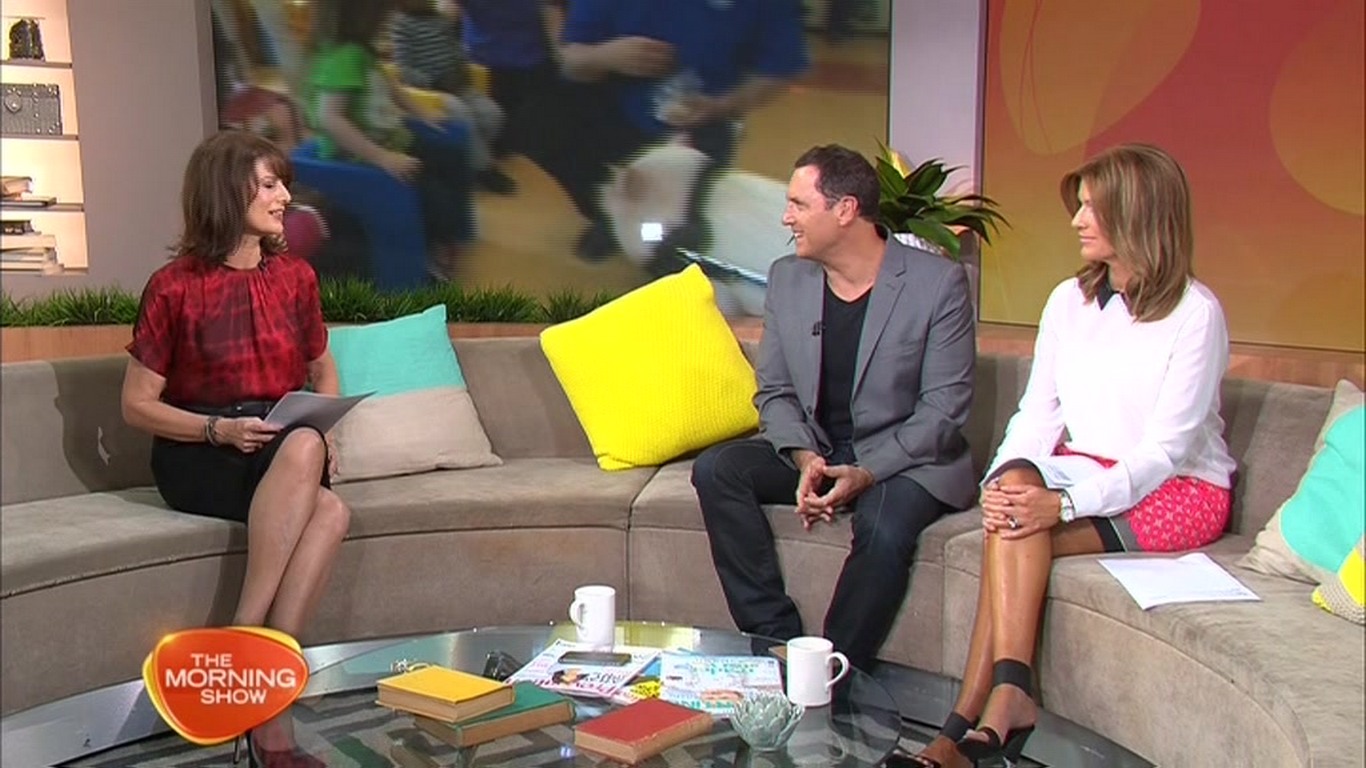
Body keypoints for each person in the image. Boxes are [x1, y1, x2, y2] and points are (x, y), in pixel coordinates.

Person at [906, 144, 1237, 768]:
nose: (1077, 220)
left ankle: (960, 727)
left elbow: (1164, 451)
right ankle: (1003, 703)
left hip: (1179, 488)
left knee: (1017, 528)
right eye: (1079, 205)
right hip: (1082, 467)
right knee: (1012, 506)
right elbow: (1038, 414)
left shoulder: (1196, 315)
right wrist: (1001, 480)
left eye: (1092, 208)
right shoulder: (1068, 300)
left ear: (1136, 214)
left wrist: (1061, 504)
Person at [691, 145, 978, 672]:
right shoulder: (787, 278)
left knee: (884, 526)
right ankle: (775, 641)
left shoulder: (937, 284)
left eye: (799, 204)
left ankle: (832, 672)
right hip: (820, 448)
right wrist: (805, 458)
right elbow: (774, 390)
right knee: (718, 470)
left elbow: (944, 409)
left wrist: (867, 472)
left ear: (845, 210)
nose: (786, 217)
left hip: (904, 460)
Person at [121, 130, 350, 768]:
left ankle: (263, 680)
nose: (285, 197)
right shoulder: (173, 286)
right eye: (269, 184)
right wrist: (215, 430)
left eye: (282, 184)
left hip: (280, 447)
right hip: (201, 452)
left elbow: (323, 367)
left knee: (331, 505)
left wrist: (327, 426)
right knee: (307, 460)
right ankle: (248, 640)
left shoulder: (296, 277)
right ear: (228, 192)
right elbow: (136, 404)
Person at [518, 0, 808, 262]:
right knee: (537, 123)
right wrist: (606, 56)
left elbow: (780, 71)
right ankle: (611, 216)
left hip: (705, 120)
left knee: (680, 230)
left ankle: (656, 237)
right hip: (617, 105)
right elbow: (572, 61)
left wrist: (721, 105)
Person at [306, 0, 475, 281]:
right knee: (435, 199)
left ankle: (447, 234)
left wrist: (424, 113)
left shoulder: (361, 50)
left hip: (391, 143)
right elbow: (329, 118)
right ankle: (429, 253)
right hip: (360, 158)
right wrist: (382, 158)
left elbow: (392, 88)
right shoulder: (344, 56)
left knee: (451, 156)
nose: (388, 19)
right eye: (382, 13)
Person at [389, 0, 517, 194]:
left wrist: (462, 67)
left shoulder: (439, 18)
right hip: (431, 90)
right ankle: (484, 169)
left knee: (492, 113)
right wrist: (427, 80)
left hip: (457, 83)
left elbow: (455, 48)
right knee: (463, 116)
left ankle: (471, 160)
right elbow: (403, 67)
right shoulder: (401, 24)